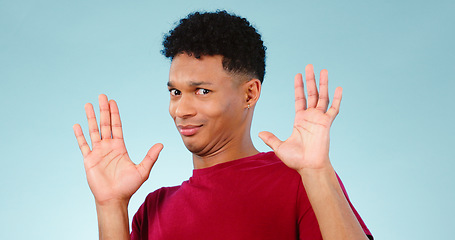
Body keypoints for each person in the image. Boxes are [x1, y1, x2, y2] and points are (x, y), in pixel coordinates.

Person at [73, 10, 373, 240]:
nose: (181, 109)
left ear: (249, 93)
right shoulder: (153, 208)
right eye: (175, 92)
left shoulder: (300, 180)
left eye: (202, 91)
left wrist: (318, 173)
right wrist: (110, 206)